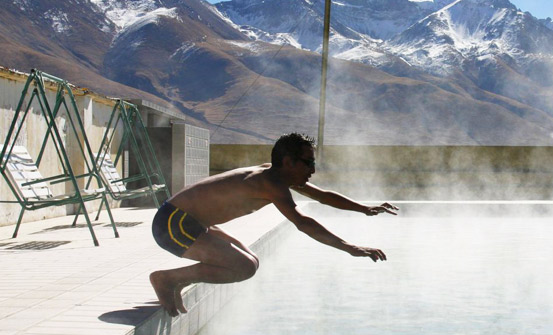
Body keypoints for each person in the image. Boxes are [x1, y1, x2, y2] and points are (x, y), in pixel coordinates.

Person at [150, 132, 399, 316]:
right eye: (308, 162)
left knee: (251, 261)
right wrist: (350, 248)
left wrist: (364, 208)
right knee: (243, 267)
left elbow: (323, 196)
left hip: (189, 222)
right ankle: (166, 279)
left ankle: (178, 280)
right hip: (173, 224)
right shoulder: (271, 183)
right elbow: (303, 222)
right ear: (289, 162)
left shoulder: (274, 175)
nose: (313, 169)